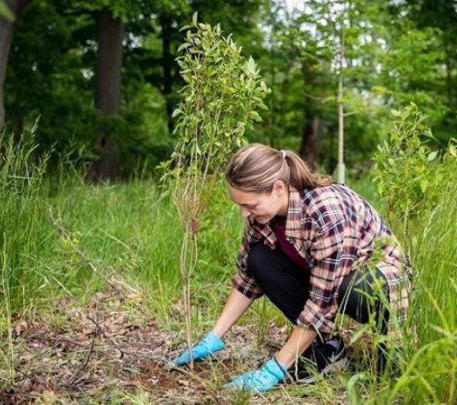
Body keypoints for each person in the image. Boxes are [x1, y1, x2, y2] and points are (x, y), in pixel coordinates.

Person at [171, 144, 413, 392]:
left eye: (251, 205)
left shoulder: (326, 212)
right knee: (259, 259)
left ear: (278, 188)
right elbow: (247, 278)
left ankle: (393, 353)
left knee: (390, 379)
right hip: (327, 282)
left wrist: (274, 368)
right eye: (240, 205)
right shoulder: (261, 216)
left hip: (378, 284)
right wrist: (214, 337)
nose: (244, 214)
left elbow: (321, 303)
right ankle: (327, 349)